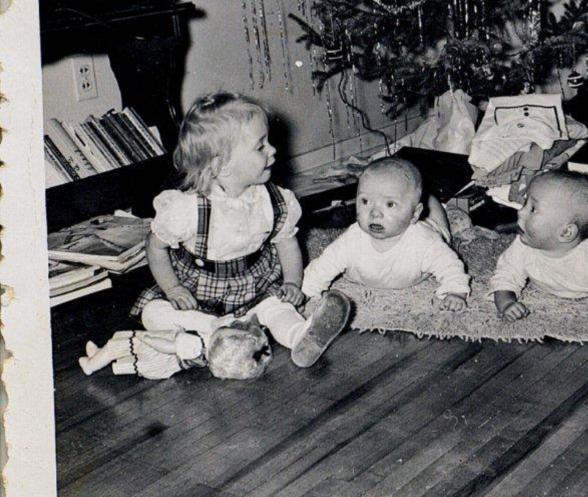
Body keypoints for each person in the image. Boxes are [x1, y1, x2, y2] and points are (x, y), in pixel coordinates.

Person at [131, 92, 350, 368]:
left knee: (277, 308)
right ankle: (212, 331)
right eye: (260, 147)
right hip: (199, 295)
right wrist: (173, 288)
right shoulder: (186, 210)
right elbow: (155, 246)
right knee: (154, 313)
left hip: (253, 288)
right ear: (222, 166)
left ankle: (301, 337)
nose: (273, 150)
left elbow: (287, 244)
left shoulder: (274, 201)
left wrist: (292, 283)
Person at [301, 158, 470, 310]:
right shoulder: (352, 239)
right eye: (365, 201)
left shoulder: (424, 242)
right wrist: (305, 291)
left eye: (390, 204)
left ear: (415, 214)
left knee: (436, 213)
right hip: (412, 216)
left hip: (429, 226)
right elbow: (323, 265)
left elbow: (449, 265)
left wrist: (455, 291)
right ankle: (422, 199)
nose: (375, 213)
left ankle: (433, 202)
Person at [490, 169, 588, 321]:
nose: (520, 211)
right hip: (583, 227)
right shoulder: (523, 245)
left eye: (533, 209)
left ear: (565, 233)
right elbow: (505, 274)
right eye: (525, 203)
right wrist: (506, 303)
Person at [78, 317, 273, 381]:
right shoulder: (205, 351)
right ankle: (100, 356)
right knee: (125, 355)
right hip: (164, 364)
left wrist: (148, 338)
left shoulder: (196, 345)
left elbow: (169, 346)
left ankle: (92, 364)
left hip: (156, 350)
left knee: (119, 344)